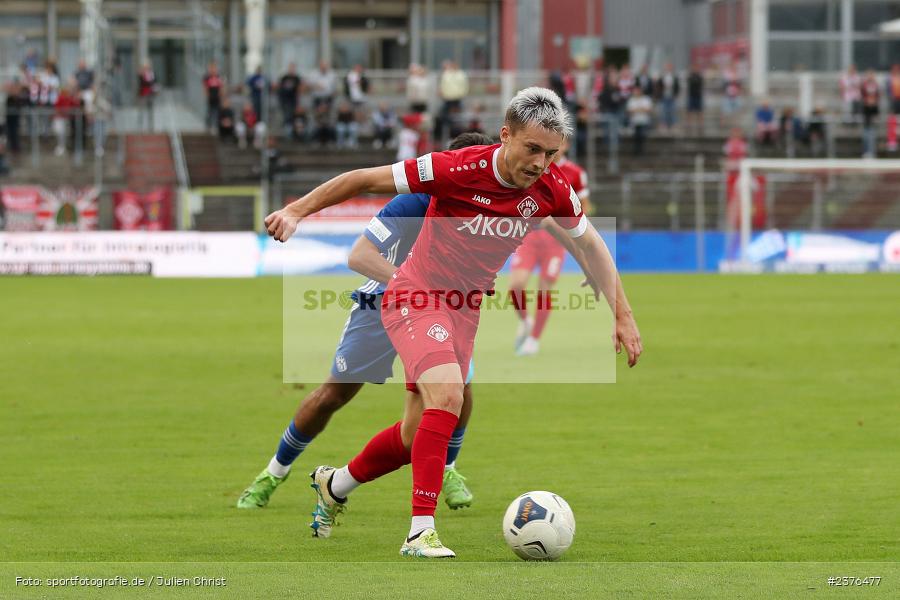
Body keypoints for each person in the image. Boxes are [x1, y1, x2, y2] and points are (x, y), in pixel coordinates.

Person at [264, 86, 642, 558]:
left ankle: (334, 485)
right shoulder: (454, 168)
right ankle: (419, 533)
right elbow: (362, 178)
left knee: (412, 438)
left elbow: (589, 243)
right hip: (415, 294)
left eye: (550, 153)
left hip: (464, 310)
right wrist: (296, 210)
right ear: (506, 135)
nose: (540, 163)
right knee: (449, 395)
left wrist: (621, 315)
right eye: (531, 149)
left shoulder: (553, 187)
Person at [237, 132, 494, 513]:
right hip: (380, 306)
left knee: (460, 390)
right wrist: (417, 287)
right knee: (332, 396)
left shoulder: (484, 207)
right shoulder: (413, 202)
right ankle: (273, 473)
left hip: (440, 311)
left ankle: (449, 469)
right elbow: (359, 256)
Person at [508, 136, 591, 356]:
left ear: (566, 146)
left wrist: (575, 232)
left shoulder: (575, 173)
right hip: (529, 237)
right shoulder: (532, 166)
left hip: (556, 242)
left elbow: (584, 207)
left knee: (544, 288)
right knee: (515, 285)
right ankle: (526, 321)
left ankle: (534, 340)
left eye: (561, 143)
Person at [435, 60, 469, 143]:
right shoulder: (447, 74)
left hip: (457, 98)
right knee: (444, 117)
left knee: (457, 118)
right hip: (448, 98)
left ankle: (456, 135)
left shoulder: (460, 74)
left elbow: (464, 86)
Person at [626, 86, 652, 156]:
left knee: (642, 136)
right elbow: (630, 111)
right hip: (635, 122)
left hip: (643, 121)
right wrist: (640, 109)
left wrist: (637, 110)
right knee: (636, 137)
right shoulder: (631, 100)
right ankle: (636, 151)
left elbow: (648, 109)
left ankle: (641, 151)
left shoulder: (646, 99)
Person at [277, 63, 301, 136]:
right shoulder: (284, 77)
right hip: (284, 100)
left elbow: (298, 90)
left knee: (291, 116)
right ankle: (286, 132)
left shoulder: (297, 78)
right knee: (285, 115)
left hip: (292, 100)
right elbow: (279, 88)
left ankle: (290, 133)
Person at [655, 62, 680, 132]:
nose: (668, 68)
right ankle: (664, 125)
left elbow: (677, 86)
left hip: (672, 96)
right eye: (667, 67)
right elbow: (658, 86)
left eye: (670, 67)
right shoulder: (662, 76)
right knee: (663, 111)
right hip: (664, 96)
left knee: (673, 111)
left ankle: (673, 125)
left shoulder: (674, 76)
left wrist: (675, 93)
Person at [861, 70, 880, 158]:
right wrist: (867, 101)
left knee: (872, 134)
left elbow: (877, 96)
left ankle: (872, 152)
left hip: (873, 109)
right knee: (866, 134)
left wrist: (873, 103)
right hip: (866, 111)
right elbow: (863, 95)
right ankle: (866, 151)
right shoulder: (864, 86)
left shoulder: (876, 86)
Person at [203, 61, 224, 134]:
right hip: (211, 97)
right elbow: (205, 87)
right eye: (211, 68)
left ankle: (215, 126)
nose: (213, 70)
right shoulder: (207, 77)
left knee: (217, 112)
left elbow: (221, 86)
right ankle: (208, 126)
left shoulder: (218, 77)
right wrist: (207, 95)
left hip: (217, 97)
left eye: (214, 68)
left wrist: (221, 95)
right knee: (210, 111)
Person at [137, 62, 157, 131]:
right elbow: (143, 82)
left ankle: (150, 126)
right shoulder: (142, 74)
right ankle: (141, 126)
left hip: (150, 93)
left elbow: (154, 82)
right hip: (143, 94)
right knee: (142, 110)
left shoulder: (152, 74)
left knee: (150, 110)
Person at [686, 64, 704, 135]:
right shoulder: (690, 76)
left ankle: (700, 125)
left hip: (698, 96)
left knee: (699, 111)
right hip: (691, 96)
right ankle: (689, 125)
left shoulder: (699, 77)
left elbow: (700, 84)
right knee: (689, 111)